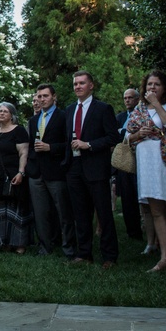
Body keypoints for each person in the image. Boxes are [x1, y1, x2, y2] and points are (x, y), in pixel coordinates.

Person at [127, 70, 166, 276]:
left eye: (157, 85)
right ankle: (164, 258)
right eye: (149, 85)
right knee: (156, 211)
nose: (152, 88)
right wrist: (137, 134)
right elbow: (127, 134)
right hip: (148, 165)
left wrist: (157, 104)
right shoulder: (140, 108)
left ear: (165, 87)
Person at [65, 70, 121, 268]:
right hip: (75, 167)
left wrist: (88, 144)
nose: (77, 86)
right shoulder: (70, 110)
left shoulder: (103, 108)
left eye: (81, 83)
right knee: (80, 213)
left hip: (96, 166)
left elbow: (114, 137)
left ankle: (109, 256)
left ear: (91, 86)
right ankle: (84, 253)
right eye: (75, 84)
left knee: (104, 213)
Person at [27, 84, 74, 257]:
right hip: (36, 173)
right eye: (39, 96)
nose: (41, 99)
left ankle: (68, 247)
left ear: (54, 97)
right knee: (40, 213)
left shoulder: (64, 117)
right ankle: (44, 247)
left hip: (56, 171)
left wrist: (50, 147)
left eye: (45, 96)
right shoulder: (33, 120)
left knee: (64, 213)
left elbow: (69, 143)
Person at [0, 102, 32, 254]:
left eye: (5, 111)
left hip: (13, 176)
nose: (1, 114)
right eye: (0, 111)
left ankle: (19, 244)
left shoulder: (18, 131)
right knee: (0, 212)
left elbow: (23, 153)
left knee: (16, 211)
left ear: (12, 115)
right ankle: (4, 241)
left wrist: (21, 172)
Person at [115, 89, 144, 242]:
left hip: (141, 159)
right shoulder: (119, 117)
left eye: (130, 98)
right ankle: (133, 232)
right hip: (124, 162)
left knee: (143, 197)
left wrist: (124, 132)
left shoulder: (143, 114)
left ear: (138, 99)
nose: (127, 100)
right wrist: (124, 132)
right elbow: (115, 136)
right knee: (127, 198)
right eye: (125, 98)